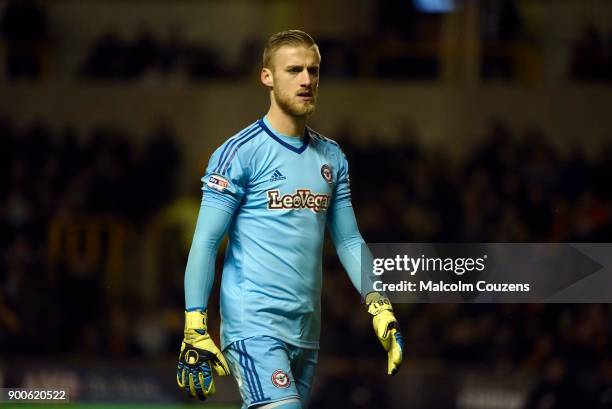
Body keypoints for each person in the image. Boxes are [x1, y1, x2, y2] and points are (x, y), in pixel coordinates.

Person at [176, 29, 404, 409]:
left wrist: (378, 304)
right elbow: (205, 241)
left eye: (313, 71)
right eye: (294, 70)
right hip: (253, 327)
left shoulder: (332, 157)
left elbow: (348, 240)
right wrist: (194, 323)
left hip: (306, 333)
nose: (306, 80)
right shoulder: (239, 154)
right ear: (267, 76)